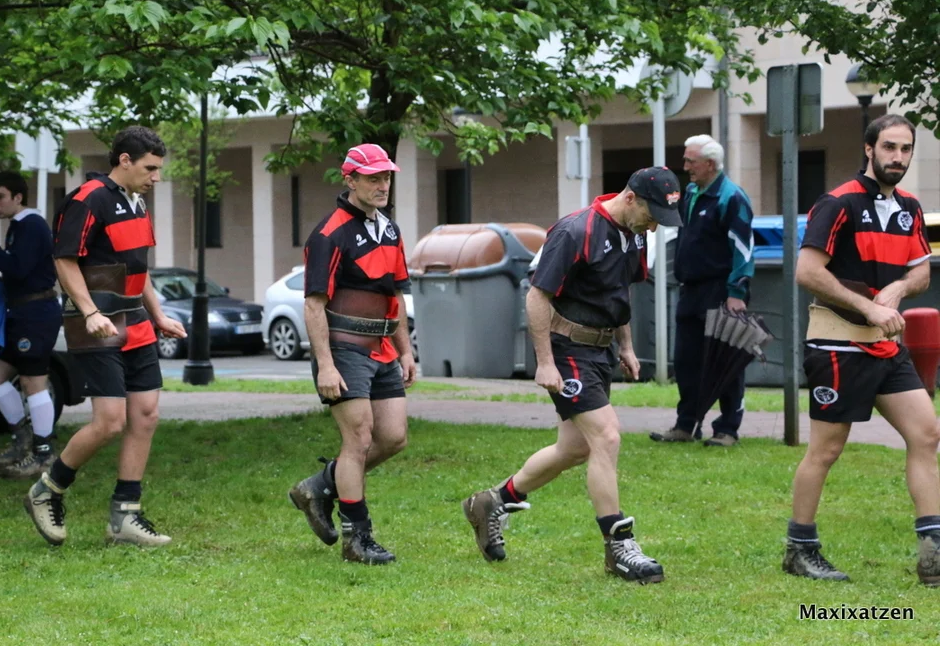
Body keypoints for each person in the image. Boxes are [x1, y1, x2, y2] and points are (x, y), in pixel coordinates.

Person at [461, 166, 682, 584]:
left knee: (574, 448)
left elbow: (619, 291)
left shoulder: (635, 234)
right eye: (652, 216)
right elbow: (537, 296)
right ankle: (619, 547)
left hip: (600, 349)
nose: (654, 227)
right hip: (567, 348)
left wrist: (626, 346)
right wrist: (545, 361)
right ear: (630, 198)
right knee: (607, 436)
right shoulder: (575, 231)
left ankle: (492, 501)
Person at [783, 114, 940, 584]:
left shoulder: (910, 207)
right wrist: (868, 307)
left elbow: (921, 270)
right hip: (837, 344)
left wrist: (898, 289)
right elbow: (807, 272)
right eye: (889, 147)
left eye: (906, 149)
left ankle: (933, 553)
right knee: (826, 450)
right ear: (869, 149)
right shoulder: (838, 203)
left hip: (887, 347)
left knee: (927, 434)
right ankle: (799, 549)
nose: (898, 157)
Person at [24, 126, 187, 548]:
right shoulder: (88, 199)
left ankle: (124, 517)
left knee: (146, 414)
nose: (156, 177)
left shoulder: (137, 203)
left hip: (136, 321)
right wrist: (90, 312)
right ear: (125, 161)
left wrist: (159, 315)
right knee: (110, 422)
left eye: (159, 169)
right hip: (96, 324)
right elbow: (64, 260)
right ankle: (47, 489)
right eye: (150, 168)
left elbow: (138, 267)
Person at [287, 143, 416, 566]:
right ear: (350, 180)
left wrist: (406, 351)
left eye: (386, 177)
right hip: (343, 349)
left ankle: (319, 486)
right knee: (357, 440)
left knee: (392, 438)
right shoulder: (330, 233)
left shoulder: (390, 230)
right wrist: (325, 365)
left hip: (382, 349)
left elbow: (395, 295)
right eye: (373, 178)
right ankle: (357, 539)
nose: (383, 185)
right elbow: (314, 305)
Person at [650, 135, 755, 447]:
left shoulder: (731, 197)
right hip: (690, 291)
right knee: (687, 361)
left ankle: (727, 429)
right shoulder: (692, 193)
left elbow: (744, 249)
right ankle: (686, 425)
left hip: (722, 291)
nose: (685, 167)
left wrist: (737, 292)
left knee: (725, 362)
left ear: (710, 164)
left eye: (690, 161)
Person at [0, 171, 62, 479]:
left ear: (18, 197)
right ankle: (23, 439)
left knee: (32, 381)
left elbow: (18, 269)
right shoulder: (19, 226)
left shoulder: (32, 225)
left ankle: (44, 453)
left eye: (0, 197)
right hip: (20, 313)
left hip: (37, 313)